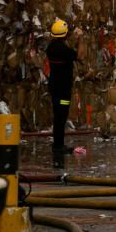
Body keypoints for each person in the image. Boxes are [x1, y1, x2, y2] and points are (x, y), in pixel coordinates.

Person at [45, 18, 80, 166]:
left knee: (57, 115)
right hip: (64, 90)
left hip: (54, 87)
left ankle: (57, 143)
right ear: (65, 35)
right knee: (62, 115)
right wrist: (79, 39)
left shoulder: (50, 48)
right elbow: (79, 56)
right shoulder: (65, 51)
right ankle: (58, 146)